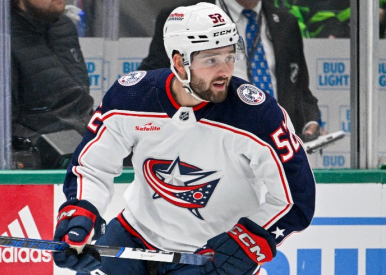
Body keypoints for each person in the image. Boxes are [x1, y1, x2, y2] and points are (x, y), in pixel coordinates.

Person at [52, 2, 316, 274]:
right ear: (179, 62)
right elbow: (93, 166)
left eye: (229, 56)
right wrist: (81, 212)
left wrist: (248, 242)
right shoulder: (130, 97)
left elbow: (296, 197)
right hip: (135, 238)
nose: (225, 70)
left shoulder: (257, 114)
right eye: (211, 59)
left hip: (211, 255)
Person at [139, 0, 321, 142]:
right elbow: (152, 83)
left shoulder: (286, 23)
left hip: (272, 146)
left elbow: (299, 90)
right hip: (207, 143)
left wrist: (310, 121)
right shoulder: (183, 17)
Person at [0, 0, 93, 167]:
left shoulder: (64, 27)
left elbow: (79, 101)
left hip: (89, 147)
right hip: (45, 164)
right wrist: (42, 150)